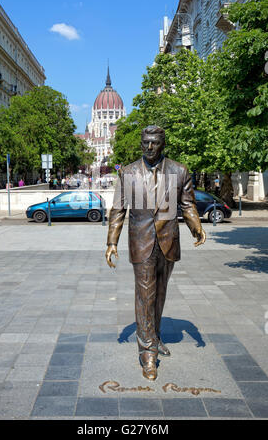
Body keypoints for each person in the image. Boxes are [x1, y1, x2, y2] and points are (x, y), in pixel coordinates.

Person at [106, 125, 206, 381]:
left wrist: (196, 226)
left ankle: (155, 335)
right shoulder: (128, 173)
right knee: (145, 295)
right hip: (141, 242)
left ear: (163, 144)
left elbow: (187, 204)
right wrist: (111, 242)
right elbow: (118, 209)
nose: (149, 147)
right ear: (141, 142)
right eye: (145, 142)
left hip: (168, 242)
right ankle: (148, 353)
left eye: (154, 143)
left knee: (159, 294)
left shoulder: (179, 170)